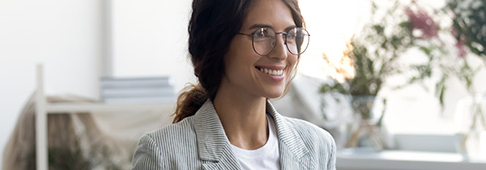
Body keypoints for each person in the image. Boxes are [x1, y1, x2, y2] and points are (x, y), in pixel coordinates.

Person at [131, 0, 335, 169]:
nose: (282, 53)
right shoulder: (162, 154)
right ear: (218, 42)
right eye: (262, 33)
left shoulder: (318, 146)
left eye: (289, 35)